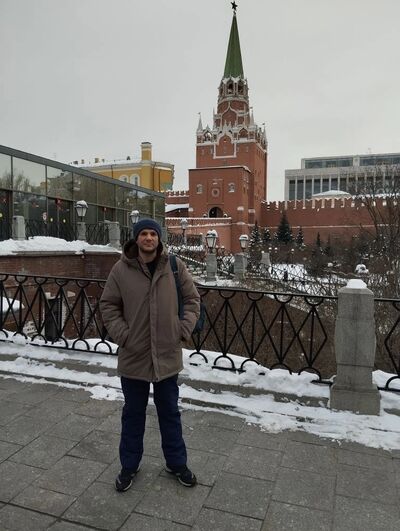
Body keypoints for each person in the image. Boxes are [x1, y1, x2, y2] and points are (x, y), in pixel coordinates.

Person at [100, 219, 200, 492]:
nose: (148, 238)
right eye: (143, 234)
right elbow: (108, 305)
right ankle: (129, 466)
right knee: (133, 414)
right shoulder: (121, 270)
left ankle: (177, 463)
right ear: (136, 238)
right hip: (134, 355)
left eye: (152, 234)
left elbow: (193, 300)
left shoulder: (174, 266)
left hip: (167, 354)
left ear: (159, 238)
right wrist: (124, 336)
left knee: (170, 413)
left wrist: (182, 329)